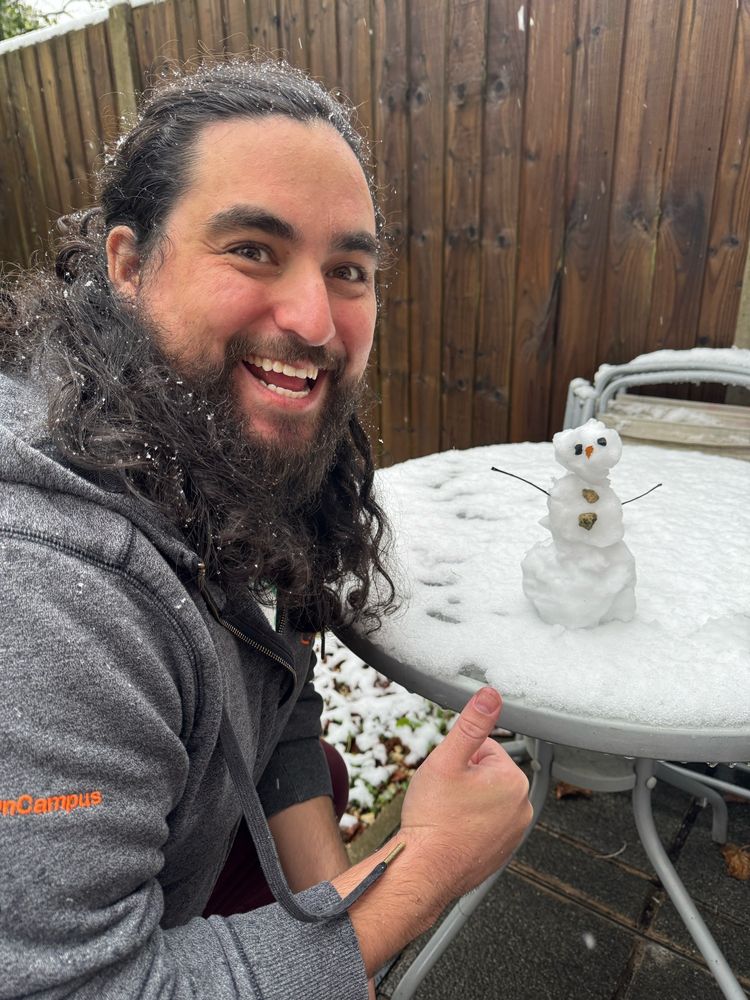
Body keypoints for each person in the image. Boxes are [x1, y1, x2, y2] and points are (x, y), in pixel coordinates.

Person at [0, 58, 532, 999]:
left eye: (348, 270)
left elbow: (275, 698)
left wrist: (335, 925)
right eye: (252, 248)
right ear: (128, 263)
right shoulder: (44, 596)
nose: (315, 318)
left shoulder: (210, 432)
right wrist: (422, 868)